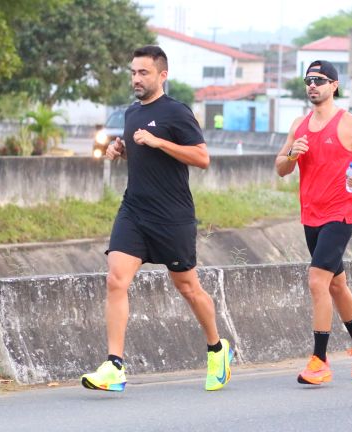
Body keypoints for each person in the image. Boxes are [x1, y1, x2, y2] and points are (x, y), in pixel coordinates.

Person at [81, 45, 233, 392]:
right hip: (134, 210)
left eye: (143, 72)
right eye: (133, 72)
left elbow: (202, 157)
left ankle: (217, 349)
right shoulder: (132, 113)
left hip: (173, 216)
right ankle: (114, 366)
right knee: (116, 280)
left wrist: (159, 141)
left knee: (188, 288)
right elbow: (138, 148)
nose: (136, 78)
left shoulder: (176, 113)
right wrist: (120, 150)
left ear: (162, 75)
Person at [275, 60, 352, 385]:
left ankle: (319, 360)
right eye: (309, 80)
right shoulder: (299, 124)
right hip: (311, 214)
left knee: (317, 282)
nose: (313, 85)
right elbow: (281, 168)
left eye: (320, 80)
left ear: (334, 85)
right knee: (336, 284)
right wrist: (293, 154)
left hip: (340, 214)